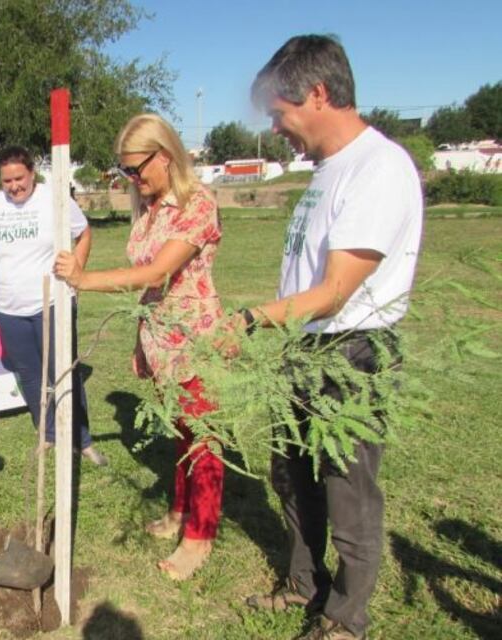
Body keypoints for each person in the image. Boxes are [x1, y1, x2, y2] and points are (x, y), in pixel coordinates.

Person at [238, 35, 423, 640]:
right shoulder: (326, 171)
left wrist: (248, 319)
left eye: (279, 114)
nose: (276, 129)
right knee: (290, 474)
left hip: (353, 352)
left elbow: (338, 289)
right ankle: (302, 583)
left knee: (348, 490)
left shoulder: (379, 168)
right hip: (303, 347)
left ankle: (345, 618)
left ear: (318, 94)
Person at [54, 114, 224, 580]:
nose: (132, 178)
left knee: (203, 440)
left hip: (195, 341)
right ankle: (178, 509)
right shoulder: (150, 208)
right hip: (159, 340)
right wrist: (140, 342)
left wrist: (84, 279)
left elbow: (156, 274)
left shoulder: (198, 205)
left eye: (137, 168)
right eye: (125, 170)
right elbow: (150, 292)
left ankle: (200, 535)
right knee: (181, 433)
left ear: (165, 155)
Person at [0, 145, 106, 465]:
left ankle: (82, 438)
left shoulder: (55, 199)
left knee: (64, 372)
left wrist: (76, 271)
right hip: (9, 307)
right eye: (7, 181)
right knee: (30, 374)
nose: (14, 186)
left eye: (19, 178)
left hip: (52, 301)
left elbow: (83, 233)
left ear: (32, 173)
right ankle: (48, 433)